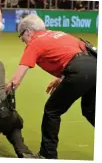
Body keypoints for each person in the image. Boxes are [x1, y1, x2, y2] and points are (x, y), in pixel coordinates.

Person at [6, 14, 96, 159]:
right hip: (95, 66)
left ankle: (47, 155)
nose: (22, 40)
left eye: (21, 35)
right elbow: (79, 55)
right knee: (91, 110)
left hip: (80, 71)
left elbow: (16, 80)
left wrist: (2, 92)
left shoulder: (34, 43)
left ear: (28, 31)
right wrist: (61, 78)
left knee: (52, 111)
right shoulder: (58, 34)